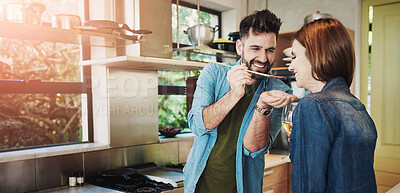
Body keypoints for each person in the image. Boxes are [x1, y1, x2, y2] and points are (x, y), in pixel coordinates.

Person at [184, 9, 298, 193]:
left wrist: (263, 106)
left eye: (270, 50)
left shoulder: (280, 90)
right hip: (197, 187)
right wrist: (234, 95)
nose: (263, 58)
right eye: (255, 48)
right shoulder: (214, 72)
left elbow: (254, 150)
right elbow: (197, 126)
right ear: (239, 47)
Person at [288, 18, 377, 193]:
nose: (291, 66)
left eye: (294, 56)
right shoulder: (357, 106)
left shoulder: (312, 105)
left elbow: (307, 187)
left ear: (316, 54)